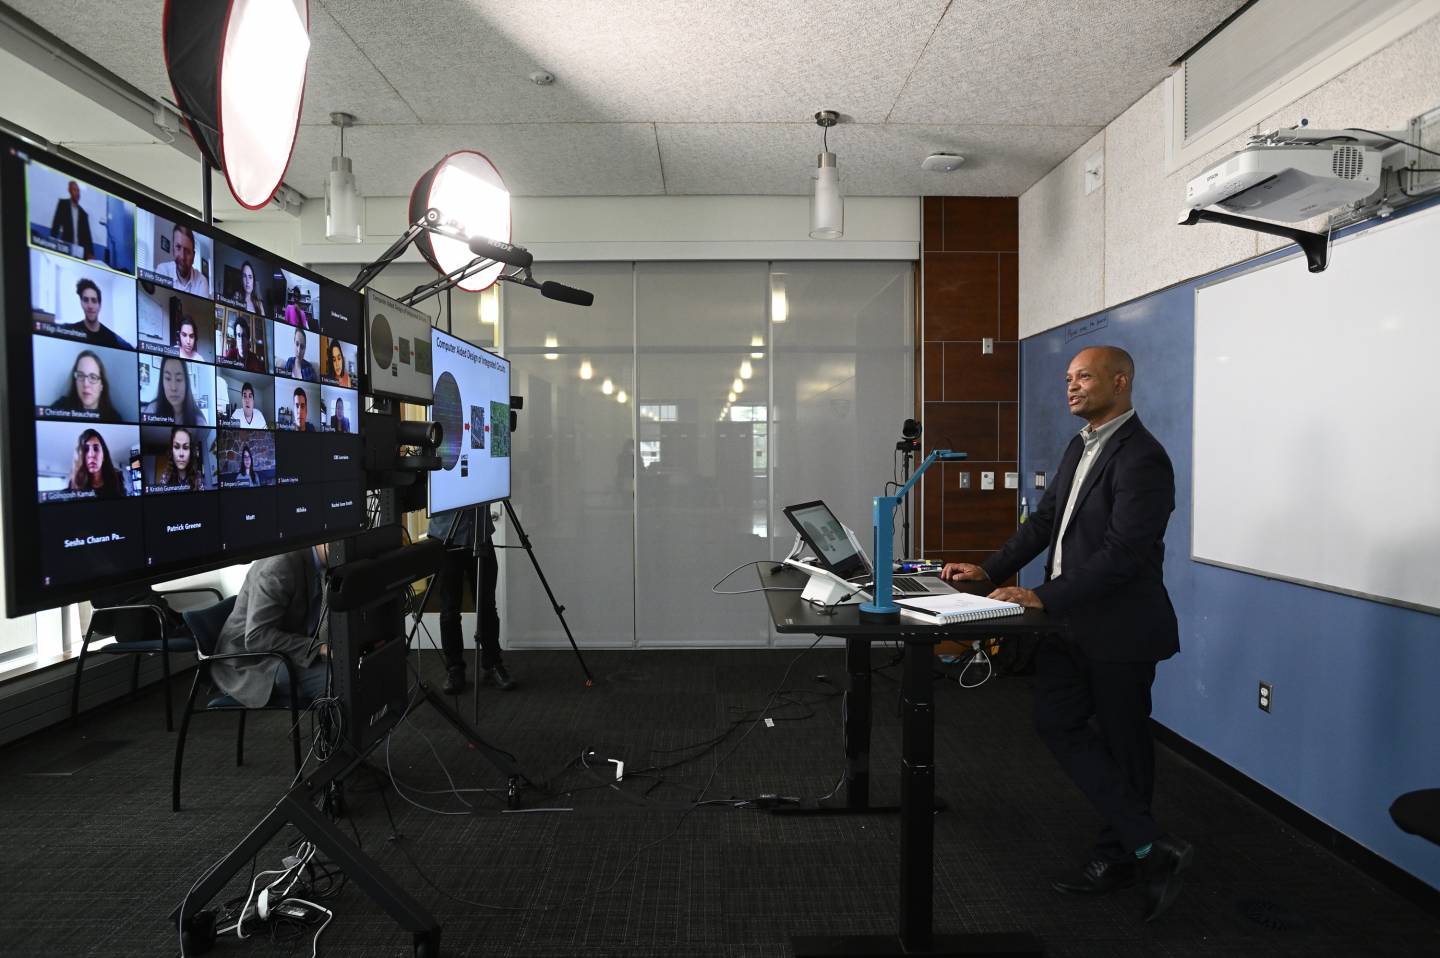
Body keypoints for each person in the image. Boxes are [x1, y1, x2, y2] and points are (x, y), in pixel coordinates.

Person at [941, 345, 1190, 922]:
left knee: (1125, 744)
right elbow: (1045, 522)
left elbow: (1124, 553)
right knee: (1054, 720)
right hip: (1067, 623)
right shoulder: (1080, 445)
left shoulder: (1142, 457)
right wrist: (990, 570)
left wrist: (1040, 595)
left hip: (1121, 628)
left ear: (1120, 381)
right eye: (1068, 378)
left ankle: (1123, 855)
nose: (1071, 387)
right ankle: (1152, 845)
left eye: (1084, 377)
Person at [209, 545, 330, 709]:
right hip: (250, 662)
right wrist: (320, 648)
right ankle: (339, 733)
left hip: (281, 652)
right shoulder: (280, 564)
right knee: (340, 679)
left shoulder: (319, 561)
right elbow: (257, 636)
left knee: (352, 670)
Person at [428, 508, 514, 694]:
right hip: (446, 536)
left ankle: (492, 665)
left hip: (480, 533)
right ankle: (454, 670)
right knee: (450, 608)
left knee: (487, 606)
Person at [59, 278, 132, 349]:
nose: (90, 306)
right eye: (85, 300)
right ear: (81, 303)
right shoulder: (72, 330)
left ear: (99, 305)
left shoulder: (111, 337)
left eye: (94, 301)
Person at [50, 350, 122, 421]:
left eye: (93, 377)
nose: (85, 384)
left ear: (101, 386)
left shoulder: (114, 418)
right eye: (81, 375)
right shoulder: (60, 407)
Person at [142, 355, 206, 425]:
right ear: (162, 381)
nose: (173, 388)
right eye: (168, 378)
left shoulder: (199, 421)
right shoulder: (152, 410)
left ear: (186, 383)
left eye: (179, 379)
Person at [66, 428, 126, 498]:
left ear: (103, 456)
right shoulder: (74, 483)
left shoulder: (117, 478)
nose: (91, 455)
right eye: (86, 449)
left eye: (96, 448)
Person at [154, 223, 210, 297]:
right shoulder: (163, 270)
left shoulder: (201, 281)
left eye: (187, 251)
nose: (182, 257)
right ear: (173, 250)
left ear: (193, 256)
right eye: (178, 247)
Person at [49, 179, 94, 260]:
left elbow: (88, 236)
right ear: (69, 191)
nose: (77, 193)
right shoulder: (63, 204)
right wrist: (52, 244)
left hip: (81, 252)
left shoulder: (84, 214)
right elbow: (56, 226)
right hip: (66, 248)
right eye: (74, 190)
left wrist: (90, 253)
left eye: (78, 191)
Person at [157, 426, 205, 491]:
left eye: (185, 448)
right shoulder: (165, 477)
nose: (181, 454)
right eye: (176, 447)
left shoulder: (198, 476)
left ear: (190, 451)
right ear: (171, 451)